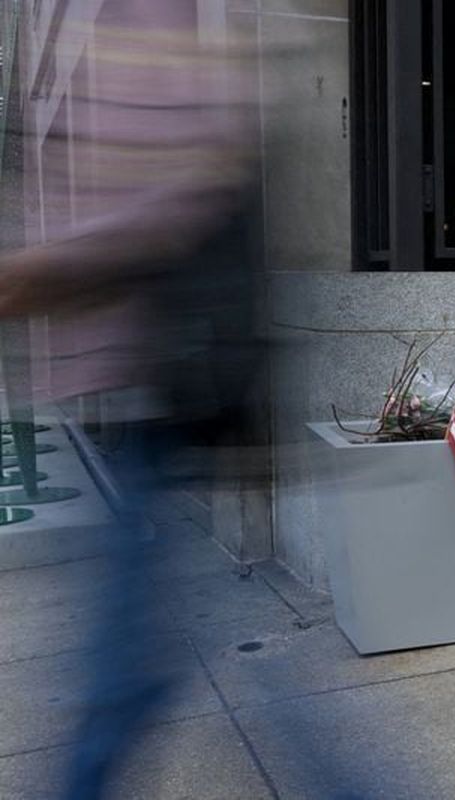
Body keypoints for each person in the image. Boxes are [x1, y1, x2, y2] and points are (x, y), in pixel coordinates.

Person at [0, 3, 261, 797]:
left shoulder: (141, 22)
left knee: (130, 678)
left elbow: (175, 192)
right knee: (153, 667)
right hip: (135, 395)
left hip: (161, 390)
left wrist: (43, 271)